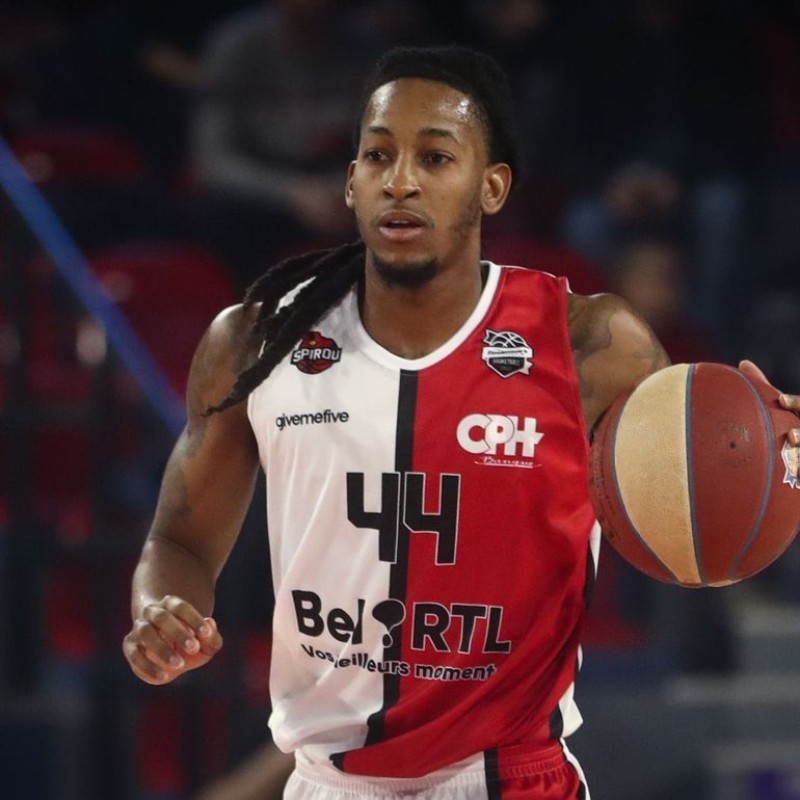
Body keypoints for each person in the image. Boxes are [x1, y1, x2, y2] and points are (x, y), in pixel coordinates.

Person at [123, 45, 800, 799]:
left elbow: (699, 497)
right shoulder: (255, 341)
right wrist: (162, 612)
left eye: (436, 157)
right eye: (378, 155)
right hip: (325, 783)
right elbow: (178, 541)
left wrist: (768, 452)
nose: (400, 180)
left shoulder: (591, 344)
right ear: (351, 181)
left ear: (492, 186)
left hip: (507, 778)